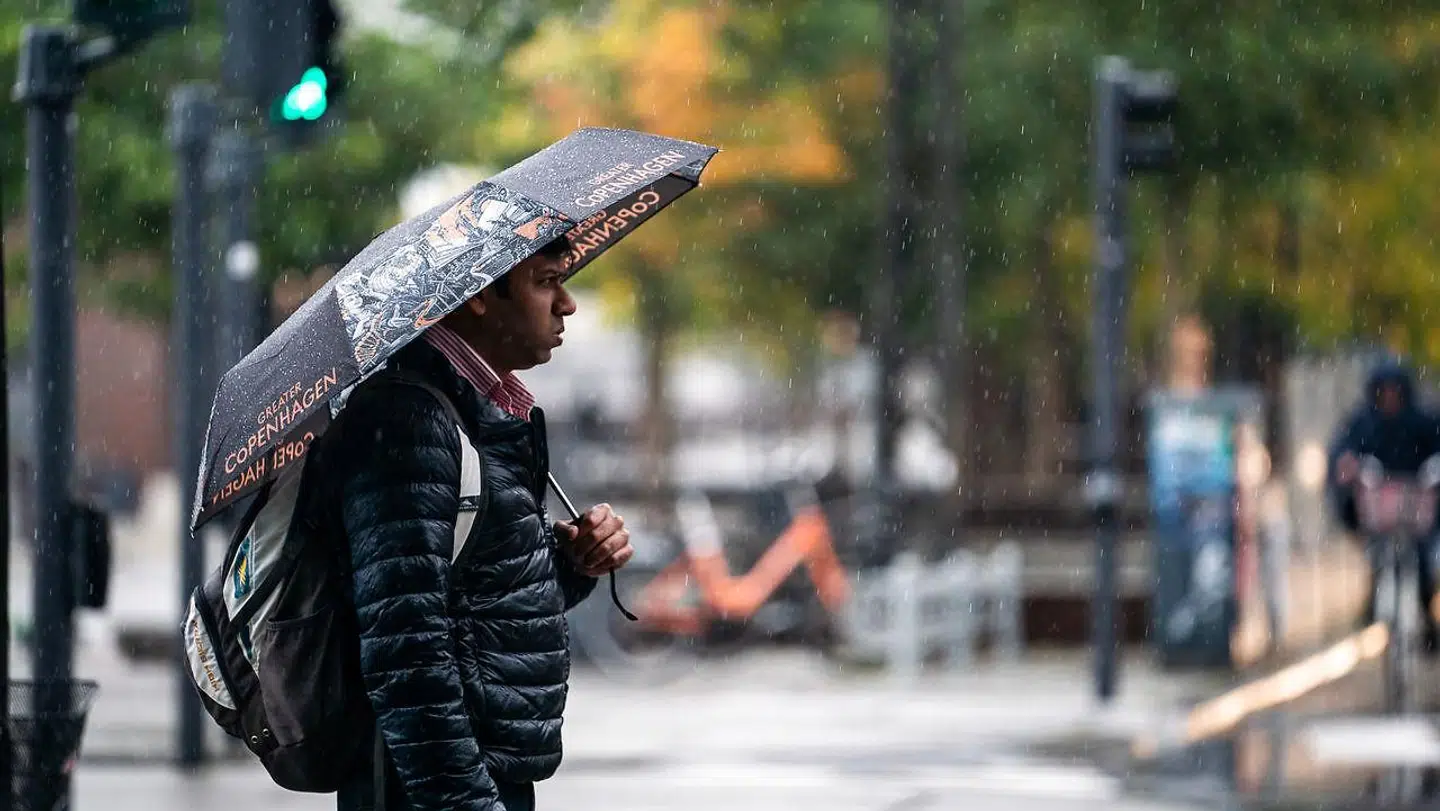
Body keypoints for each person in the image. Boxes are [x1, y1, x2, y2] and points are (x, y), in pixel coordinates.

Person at [310, 236, 635, 811]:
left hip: (476, 770)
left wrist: (573, 563)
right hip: (431, 786)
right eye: (546, 281)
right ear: (480, 294)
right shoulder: (410, 421)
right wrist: (467, 802)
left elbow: (479, 606)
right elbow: (405, 649)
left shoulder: (474, 414)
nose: (567, 304)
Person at [1327, 360, 1440, 648]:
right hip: (1378, 510)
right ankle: (1375, 606)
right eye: (1384, 392)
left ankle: (1427, 619)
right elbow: (1343, 451)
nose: (1389, 398)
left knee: (1423, 564)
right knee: (1378, 558)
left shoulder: (1422, 421)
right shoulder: (1363, 423)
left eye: (1394, 392)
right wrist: (1348, 464)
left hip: (1416, 508)